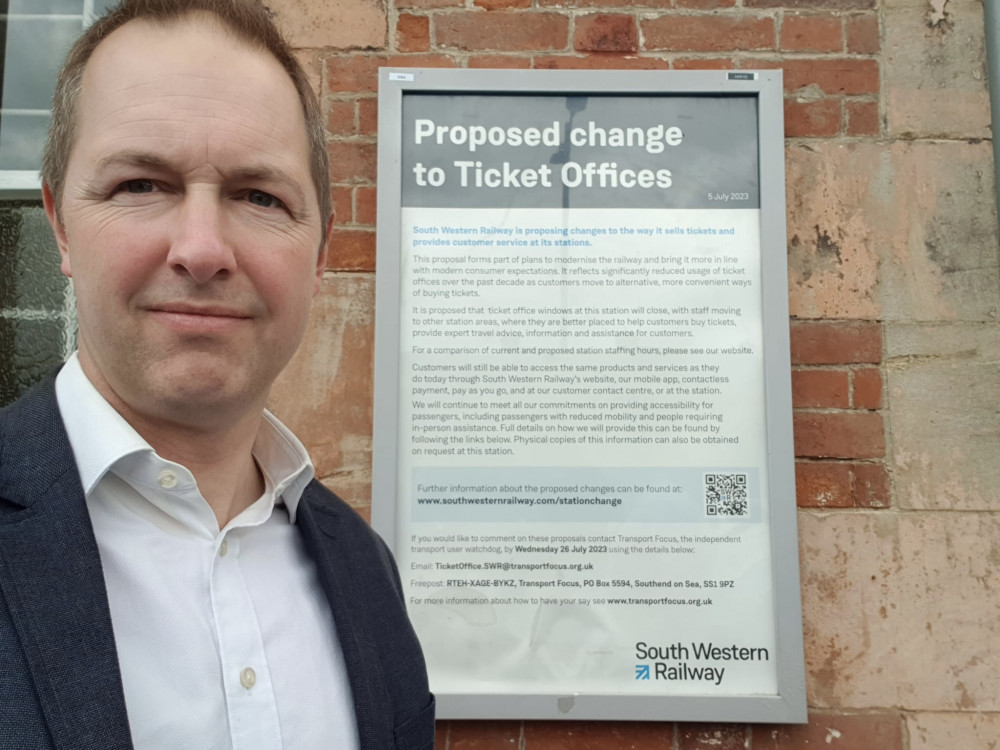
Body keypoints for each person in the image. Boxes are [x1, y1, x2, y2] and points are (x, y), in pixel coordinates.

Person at [0, 1, 434, 748]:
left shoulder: (365, 571)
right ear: (62, 225)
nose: (202, 250)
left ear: (321, 250)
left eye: (259, 197)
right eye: (141, 184)